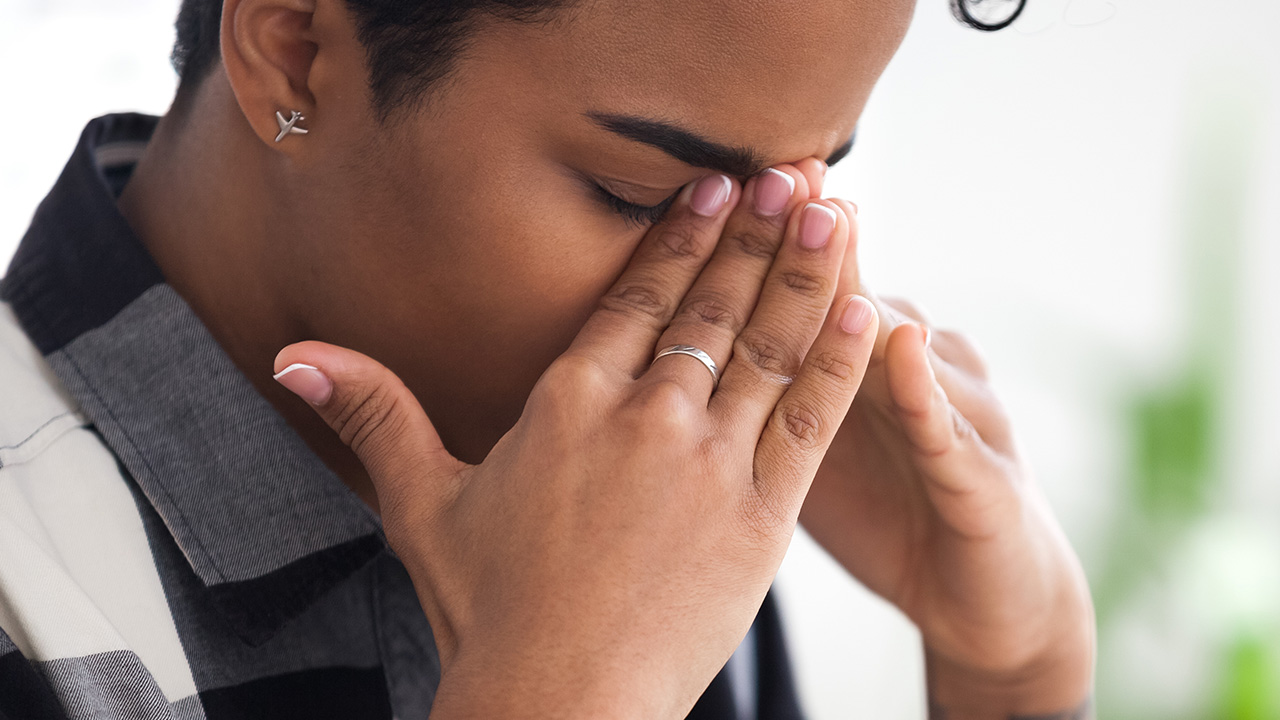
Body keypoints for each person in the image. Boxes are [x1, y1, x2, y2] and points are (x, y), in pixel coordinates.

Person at [0, 0, 1095, 718]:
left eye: (798, 192)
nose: (738, 290)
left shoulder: (647, 483)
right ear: (294, 50)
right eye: (644, 195)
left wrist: (1014, 674)